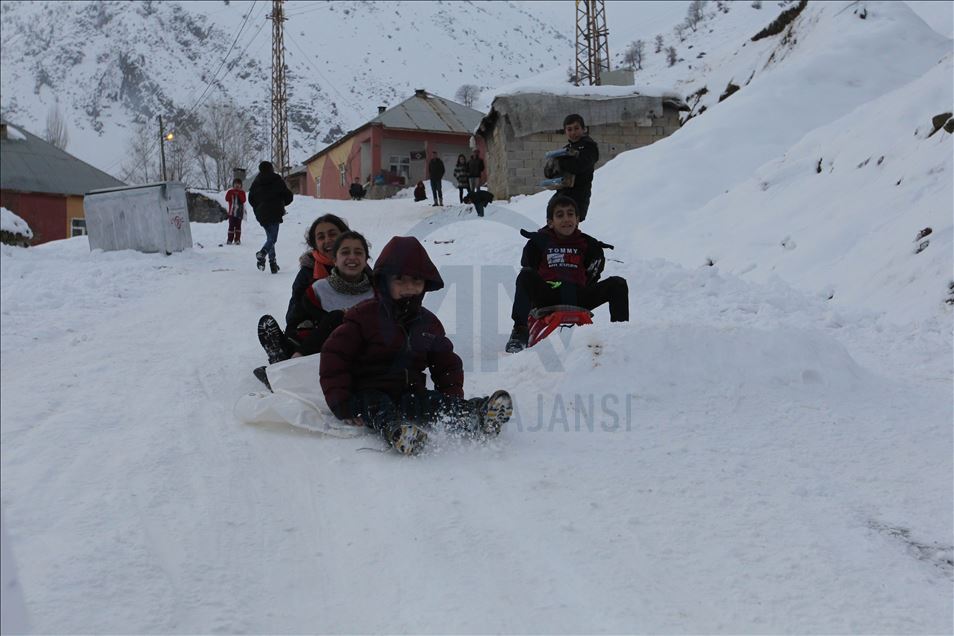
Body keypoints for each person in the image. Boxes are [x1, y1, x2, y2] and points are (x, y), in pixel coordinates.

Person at [319, 236, 513, 455]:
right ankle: (399, 432)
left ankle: (477, 414)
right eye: (400, 279)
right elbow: (334, 356)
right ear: (384, 281)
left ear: (425, 284)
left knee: (434, 403)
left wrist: (451, 396)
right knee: (378, 407)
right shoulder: (363, 316)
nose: (409, 287)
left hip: (409, 392)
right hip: (368, 391)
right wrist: (342, 403)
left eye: (416, 280)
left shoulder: (427, 323)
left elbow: (445, 363)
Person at [505, 195, 628, 353]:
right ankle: (520, 331)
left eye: (570, 214)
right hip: (548, 295)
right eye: (560, 215)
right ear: (550, 222)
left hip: (577, 295)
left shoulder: (588, 245)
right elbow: (530, 266)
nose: (566, 219)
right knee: (526, 274)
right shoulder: (539, 242)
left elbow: (594, 272)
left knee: (617, 284)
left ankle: (620, 334)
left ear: (577, 219)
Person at [257, 231, 375, 372]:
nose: (352, 257)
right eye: (345, 252)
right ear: (335, 260)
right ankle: (286, 360)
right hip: (321, 354)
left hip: (364, 357)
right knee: (333, 320)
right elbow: (298, 320)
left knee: (340, 319)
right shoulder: (319, 289)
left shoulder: (377, 291)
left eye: (358, 252)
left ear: (366, 258)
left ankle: (286, 370)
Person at [550, 113, 599, 222]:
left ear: (584, 129)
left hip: (578, 197)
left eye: (576, 128)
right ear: (565, 131)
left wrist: (561, 163)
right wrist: (551, 167)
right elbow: (551, 174)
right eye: (569, 129)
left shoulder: (589, 147)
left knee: (567, 227)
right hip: (562, 194)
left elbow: (579, 166)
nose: (573, 132)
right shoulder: (565, 150)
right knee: (553, 222)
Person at [249, 160, 294, 274]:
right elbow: (288, 196)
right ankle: (262, 253)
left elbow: (251, 199)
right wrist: (282, 203)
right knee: (273, 239)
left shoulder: (256, 182)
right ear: (271, 168)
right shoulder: (277, 179)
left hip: (262, 215)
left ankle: (273, 264)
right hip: (274, 212)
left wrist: (258, 207)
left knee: (270, 238)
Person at [224, 178, 246, 245]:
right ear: (233, 185)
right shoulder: (230, 191)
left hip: (239, 213)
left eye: (239, 184)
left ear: (241, 185)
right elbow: (226, 199)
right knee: (231, 226)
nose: (237, 185)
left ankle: (237, 239)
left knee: (238, 227)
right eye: (236, 184)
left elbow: (243, 200)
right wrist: (232, 193)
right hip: (232, 213)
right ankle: (230, 239)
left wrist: (238, 194)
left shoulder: (242, 192)